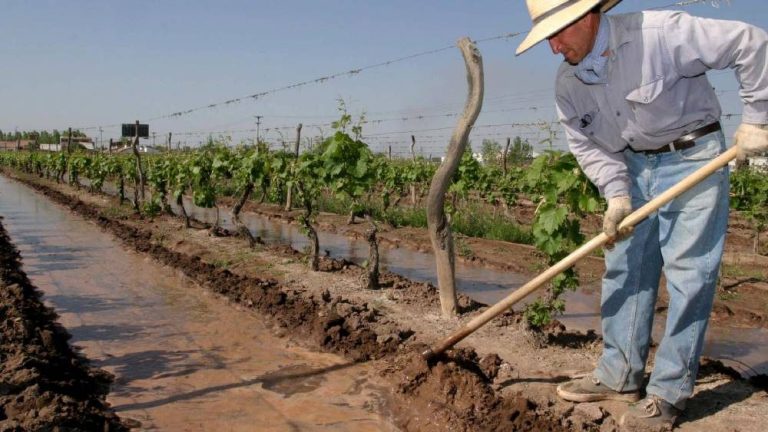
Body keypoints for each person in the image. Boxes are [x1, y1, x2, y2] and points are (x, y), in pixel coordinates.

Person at [516, 0, 768, 430]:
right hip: (633, 167)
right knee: (625, 269)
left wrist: (758, 119)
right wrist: (616, 194)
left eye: (557, 34)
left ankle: (669, 393)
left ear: (587, 17)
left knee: (690, 275)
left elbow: (752, 43)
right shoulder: (569, 84)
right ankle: (619, 376)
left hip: (693, 158)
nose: (554, 48)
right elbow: (587, 145)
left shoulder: (658, 33)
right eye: (546, 38)